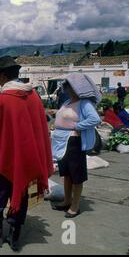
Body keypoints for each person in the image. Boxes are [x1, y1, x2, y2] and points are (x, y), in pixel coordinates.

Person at [0, 56, 54, 251]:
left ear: (2, 75)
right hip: (29, 158)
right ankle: (15, 235)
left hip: (7, 156)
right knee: (23, 193)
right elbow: (41, 126)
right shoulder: (34, 96)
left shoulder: (4, 99)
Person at [51, 74, 101, 219]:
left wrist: (79, 125)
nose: (66, 89)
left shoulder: (84, 103)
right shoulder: (67, 102)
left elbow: (95, 119)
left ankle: (75, 206)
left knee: (76, 175)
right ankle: (67, 200)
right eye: (66, 86)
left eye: (68, 86)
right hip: (62, 142)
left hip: (74, 142)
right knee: (66, 174)